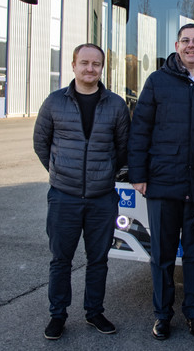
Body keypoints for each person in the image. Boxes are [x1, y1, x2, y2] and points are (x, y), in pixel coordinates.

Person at [128, 23, 194, 340]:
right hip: (162, 184)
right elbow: (140, 129)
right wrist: (138, 174)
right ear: (177, 46)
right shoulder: (158, 81)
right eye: (185, 41)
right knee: (161, 255)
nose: (191, 46)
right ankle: (162, 316)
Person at [33, 43, 130, 340]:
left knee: (98, 259)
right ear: (73, 65)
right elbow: (41, 143)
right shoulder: (54, 102)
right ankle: (57, 315)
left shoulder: (115, 105)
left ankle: (94, 312)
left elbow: (123, 148)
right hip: (64, 196)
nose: (90, 68)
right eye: (84, 63)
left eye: (96, 64)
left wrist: (106, 175)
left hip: (102, 198)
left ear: (103, 68)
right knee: (61, 260)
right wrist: (59, 171)